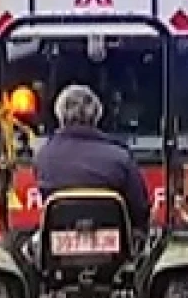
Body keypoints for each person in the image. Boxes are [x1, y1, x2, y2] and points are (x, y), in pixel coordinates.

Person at [34, 83, 151, 231]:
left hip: (56, 240)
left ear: (59, 115)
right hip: (118, 246)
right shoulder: (120, 157)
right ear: (97, 116)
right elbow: (139, 208)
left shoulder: (43, 157)